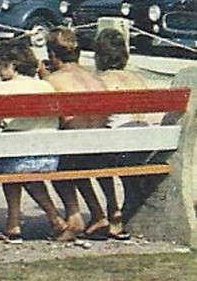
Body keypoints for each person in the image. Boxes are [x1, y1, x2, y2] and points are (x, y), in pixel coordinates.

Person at [0, 39, 68, 244]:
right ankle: (48, 219)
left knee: (11, 168)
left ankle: (16, 223)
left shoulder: (0, 89)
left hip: (19, 158)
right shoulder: (46, 86)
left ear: (12, 65)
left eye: (0, 65)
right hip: (49, 156)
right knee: (22, 171)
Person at [40, 26, 111, 240]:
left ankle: (74, 217)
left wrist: (43, 76)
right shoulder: (96, 79)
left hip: (74, 149)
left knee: (58, 159)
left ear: (52, 55)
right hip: (102, 147)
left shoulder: (53, 81)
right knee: (74, 153)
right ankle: (99, 214)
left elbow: (52, 120)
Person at [91, 27, 148, 240]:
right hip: (143, 144)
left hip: (117, 146)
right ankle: (125, 209)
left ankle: (112, 207)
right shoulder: (137, 79)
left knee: (90, 153)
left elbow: (98, 120)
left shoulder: (101, 81)